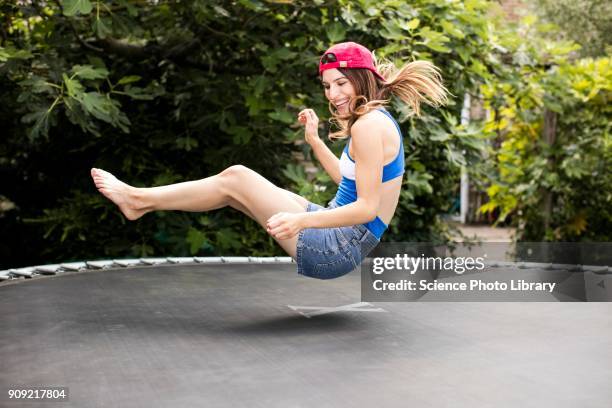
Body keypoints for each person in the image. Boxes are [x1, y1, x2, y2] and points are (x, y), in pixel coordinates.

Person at [91, 41, 448, 280]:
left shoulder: (368, 126)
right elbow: (350, 184)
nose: (333, 94)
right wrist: (315, 142)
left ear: (360, 79)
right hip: (340, 237)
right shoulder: (376, 121)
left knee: (238, 178)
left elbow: (367, 208)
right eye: (327, 86)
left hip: (337, 247)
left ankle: (137, 200)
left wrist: (300, 221)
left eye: (341, 84)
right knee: (233, 187)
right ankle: (138, 201)